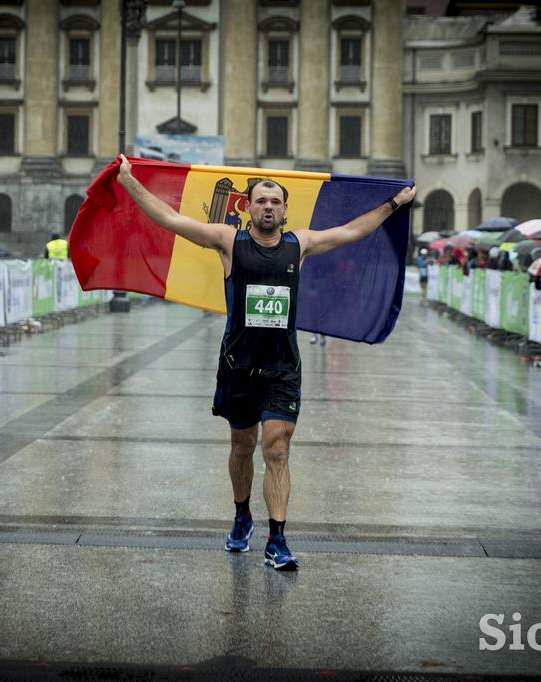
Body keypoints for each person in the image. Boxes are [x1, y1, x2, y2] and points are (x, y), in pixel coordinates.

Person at [115, 154, 415, 571]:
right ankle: (242, 517)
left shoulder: (300, 244)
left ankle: (278, 538)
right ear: (249, 207)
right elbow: (169, 218)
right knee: (243, 446)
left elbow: (350, 231)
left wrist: (394, 205)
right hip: (238, 364)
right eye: (260, 201)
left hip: (282, 367)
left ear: (285, 209)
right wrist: (129, 182)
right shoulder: (228, 241)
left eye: (275, 201)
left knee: (277, 447)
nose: (268, 207)